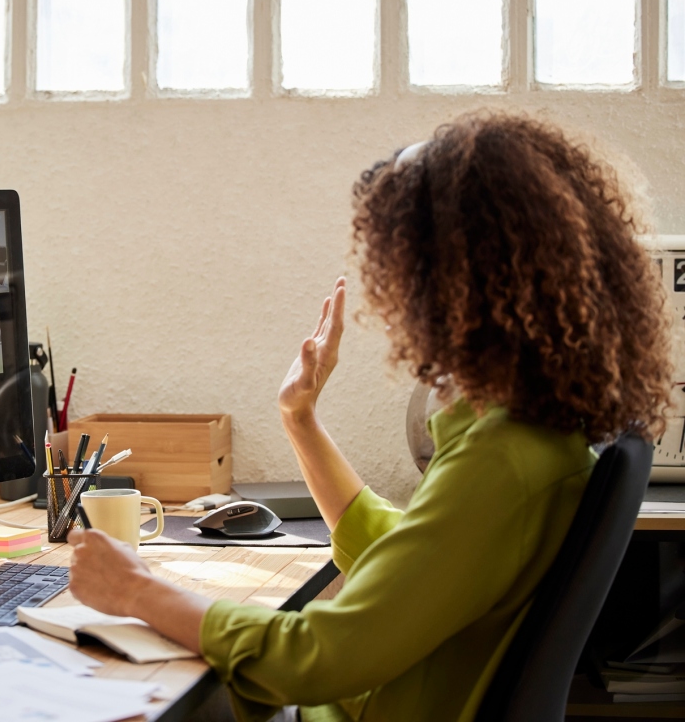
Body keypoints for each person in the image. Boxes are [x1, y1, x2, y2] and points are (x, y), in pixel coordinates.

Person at [65, 113, 675, 722]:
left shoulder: (503, 459)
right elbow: (415, 566)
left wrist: (137, 591)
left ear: (450, 284)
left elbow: (323, 656)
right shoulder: (536, 434)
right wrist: (300, 420)